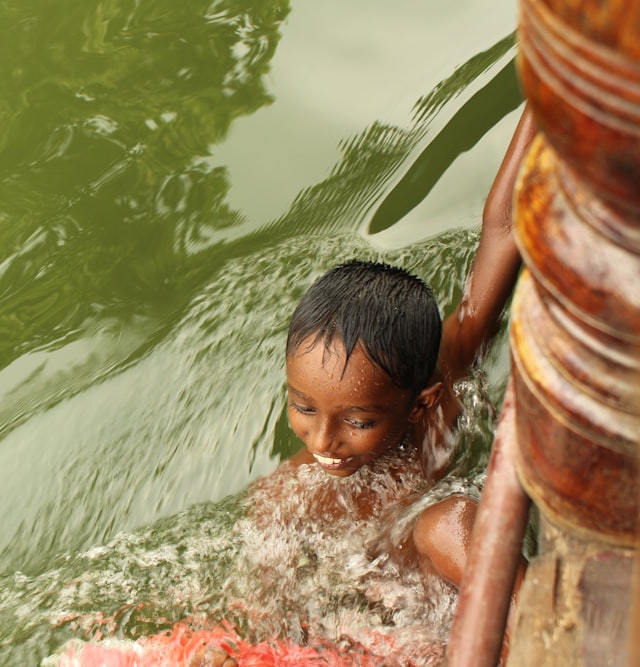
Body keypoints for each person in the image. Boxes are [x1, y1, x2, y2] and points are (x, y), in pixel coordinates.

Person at [189, 107, 536, 667]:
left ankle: (543, 635)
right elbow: (269, 619)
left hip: (453, 582)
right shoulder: (291, 499)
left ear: (419, 403)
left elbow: (503, 227)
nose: (322, 441)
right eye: (302, 407)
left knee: (448, 524)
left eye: (357, 421)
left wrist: (544, 101)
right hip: (385, 619)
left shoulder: (445, 384)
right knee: (444, 523)